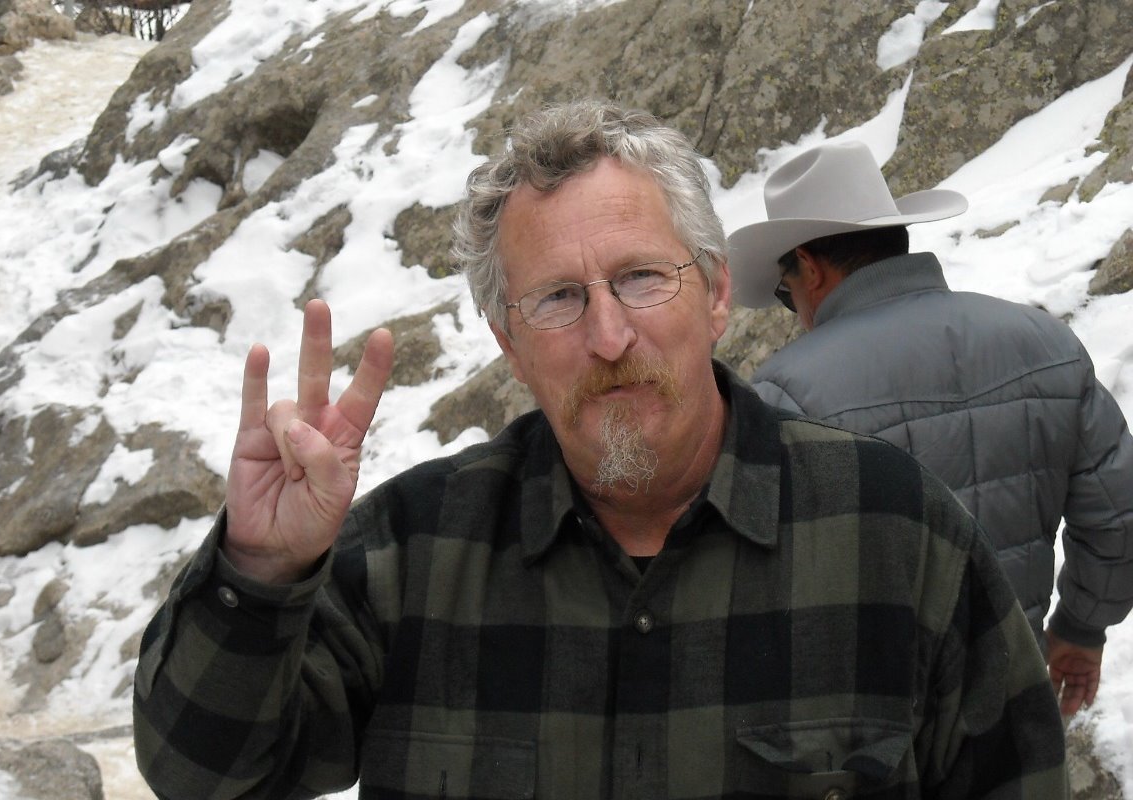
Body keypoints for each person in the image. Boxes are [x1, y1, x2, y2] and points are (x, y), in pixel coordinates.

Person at [133, 102, 1066, 799]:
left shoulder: (896, 532)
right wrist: (261, 568)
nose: (609, 336)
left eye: (641, 278)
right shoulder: (411, 554)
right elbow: (203, 774)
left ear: (713, 295)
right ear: (509, 341)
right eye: (559, 299)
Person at [730, 139, 1133, 719]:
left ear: (810, 268)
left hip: (868, 732)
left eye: (785, 294)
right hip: (1011, 708)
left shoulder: (780, 396)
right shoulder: (1047, 344)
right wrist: (1080, 628)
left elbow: (752, 587)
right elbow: (1118, 519)